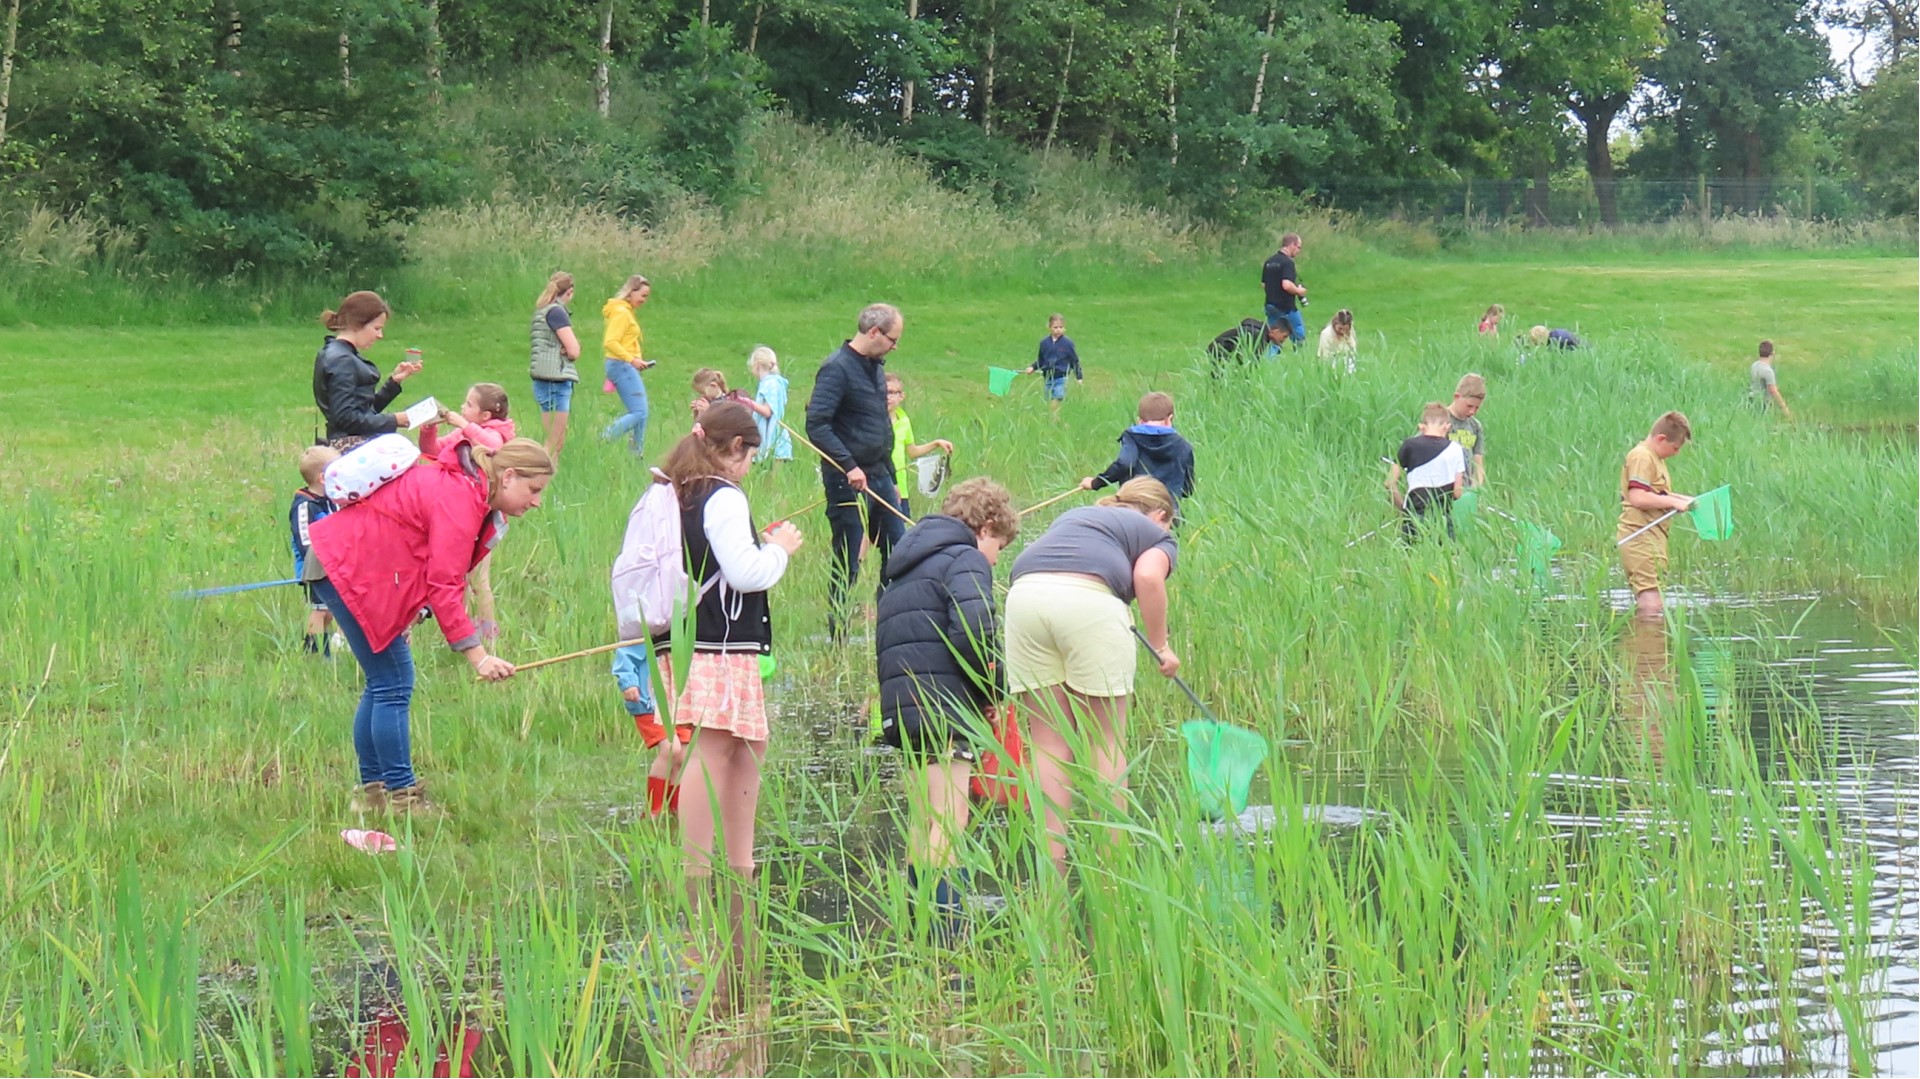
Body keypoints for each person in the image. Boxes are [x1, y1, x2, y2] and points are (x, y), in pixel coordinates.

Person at [306, 439, 553, 814]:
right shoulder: (460, 497)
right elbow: (444, 585)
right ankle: (401, 797)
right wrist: (479, 657)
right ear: (509, 476)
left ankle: (371, 794)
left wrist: (404, 613)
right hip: (344, 565)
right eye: (533, 490)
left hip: (355, 566)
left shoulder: (466, 489)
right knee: (393, 680)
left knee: (384, 680)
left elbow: (413, 551)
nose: (536, 501)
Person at [659, 403, 803, 1008]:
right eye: (751, 452)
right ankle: (699, 870)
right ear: (737, 447)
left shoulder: (687, 488)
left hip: (715, 638)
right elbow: (744, 574)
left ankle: (738, 864)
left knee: (745, 745)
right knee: (715, 746)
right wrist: (781, 550)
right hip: (721, 638)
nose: (751, 464)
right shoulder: (721, 495)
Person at [1005, 476, 1180, 879]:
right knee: (1107, 739)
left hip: (1024, 597)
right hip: (1087, 601)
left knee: (1048, 742)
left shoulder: (1078, 515)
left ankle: (1052, 863)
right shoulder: (1157, 533)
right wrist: (1161, 646)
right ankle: (1112, 861)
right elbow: (1150, 578)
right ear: (1161, 515)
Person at [875, 477, 1020, 944]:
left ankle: (921, 937)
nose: (996, 557)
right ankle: (948, 942)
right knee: (949, 827)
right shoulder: (965, 558)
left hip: (904, 706)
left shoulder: (905, 564)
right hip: (945, 707)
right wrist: (994, 690)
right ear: (987, 526)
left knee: (924, 824)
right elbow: (974, 631)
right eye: (1000, 545)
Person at [806, 303, 910, 636]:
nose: (895, 346)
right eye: (892, 339)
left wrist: (891, 479)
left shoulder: (877, 368)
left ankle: (888, 623)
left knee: (899, 550)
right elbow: (817, 424)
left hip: (880, 475)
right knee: (849, 556)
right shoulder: (836, 369)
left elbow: (882, 427)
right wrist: (849, 466)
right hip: (846, 480)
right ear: (874, 332)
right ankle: (837, 632)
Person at [418, 383, 515, 641]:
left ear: (485, 416)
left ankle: (488, 634)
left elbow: (493, 446)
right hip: (458, 514)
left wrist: (461, 422)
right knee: (458, 575)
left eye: (469, 405)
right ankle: (464, 631)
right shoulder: (465, 434)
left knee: (478, 577)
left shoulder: (497, 434)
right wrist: (429, 429)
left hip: (483, 518)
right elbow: (433, 451)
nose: (462, 407)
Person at [312, 291, 422, 449]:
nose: (380, 335)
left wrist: (394, 382)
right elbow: (345, 418)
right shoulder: (342, 361)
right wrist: (395, 420)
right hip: (350, 448)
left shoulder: (341, 355)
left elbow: (364, 411)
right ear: (358, 323)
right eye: (377, 328)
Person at [1618, 411, 1695, 621]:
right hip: (1639, 537)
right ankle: (1648, 651)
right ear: (1661, 439)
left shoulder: (1656, 459)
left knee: (1656, 598)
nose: (1676, 453)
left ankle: (1652, 650)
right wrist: (1673, 503)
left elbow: (1658, 494)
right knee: (1651, 602)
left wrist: (1685, 500)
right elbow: (1638, 497)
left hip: (1653, 539)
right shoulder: (1642, 456)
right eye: (1675, 448)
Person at [612, 639, 688, 818]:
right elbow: (626, 652)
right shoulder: (652, 620)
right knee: (671, 748)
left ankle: (675, 810)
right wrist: (628, 682)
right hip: (650, 703)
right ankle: (653, 811)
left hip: (681, 702)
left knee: (683, 756)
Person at [1080, 391, 1196, 508]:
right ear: (1169, 419)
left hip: (1135, 509)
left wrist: (1096, 483)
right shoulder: (1183, 446)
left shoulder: (1132, 438)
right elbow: (1187, 490)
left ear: (1139, 420)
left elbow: (1125, 463)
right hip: (1167, 512)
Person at [1387, 403, 1467, 541]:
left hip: (1414, 515)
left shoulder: (1409, 445)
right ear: (1447, 427)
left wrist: (1404, 509)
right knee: (1447, 559)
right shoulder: (1455, 449)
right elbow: (1457, 493)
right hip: (1441, 517)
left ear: (1421, 427)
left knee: (1410, 558)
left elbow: (1389, 483)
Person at [291, 445, 340, 657]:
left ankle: (324, 647)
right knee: (320, 611)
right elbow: (304, 542)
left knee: (329, 611)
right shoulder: (304, 506)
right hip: (314, 569)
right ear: (322, 478)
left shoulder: (332, 500)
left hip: (334, 567)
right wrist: (323, 565)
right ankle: (314, 652)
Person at [529, 271, 583, 459]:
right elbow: (574, 349)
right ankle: (542, 481)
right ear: (569, 292)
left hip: (541, 378)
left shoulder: (542, 311)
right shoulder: (557, 312)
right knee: (554, 442)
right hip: (556, 380)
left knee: (552, 439)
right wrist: (570, 350)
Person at [601, 275, 656, 457]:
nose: (644, 300)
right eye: (643, 295)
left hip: (625, 365)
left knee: (642, 412)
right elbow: (611, 342)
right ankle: (606, 437)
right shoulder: (622, 313)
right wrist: (631, 360)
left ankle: (636, 453)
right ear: (631, 292)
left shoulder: (625, 311)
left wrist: (637, 360)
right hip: (621, 365)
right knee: (639, 411)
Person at [886, 373, 953, 518]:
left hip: (900, 488)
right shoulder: (872, 420)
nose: (887, 397)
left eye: (892, 392)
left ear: (901, 396)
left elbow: (912, 451)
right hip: (880, 484)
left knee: (901, 531)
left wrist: (936, 443)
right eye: (883, 392)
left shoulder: (904, 421)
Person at [1023, 314, 1082, 412]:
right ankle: (1056, 421)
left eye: (1061, 327)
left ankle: (1054, 419)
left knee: (1057, 399)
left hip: (1061, 378)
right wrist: (1032, 368)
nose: (1058, 330)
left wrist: (1079, 377)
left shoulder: (1068, 344)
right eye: (1055, 327)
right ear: (1049, 327)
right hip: (1048, 378)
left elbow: (1074, 361)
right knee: (1049, 401)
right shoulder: (1044, 343)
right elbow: (1041, 360)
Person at [1261, 233, 1307, 348]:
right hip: (1286, 307)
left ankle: (1270, 360)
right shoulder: (1287, 262)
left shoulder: (1269, 262)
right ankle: (1301, 358)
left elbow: (1263, 284)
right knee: (1298, 333)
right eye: (1298, 247)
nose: (1298, 251)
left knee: (1275, 337)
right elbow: (1286, 285)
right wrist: (1298, 291)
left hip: (1270, 305)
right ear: (1292, 245)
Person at [748, 347, 793, 465]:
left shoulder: (771, 383)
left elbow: (768, 411)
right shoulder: (769, 382)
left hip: (774, 439)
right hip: (770, 437)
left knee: (772, 478)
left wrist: (748, 403)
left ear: (756, 365)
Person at [1445, 373, 1488, 489]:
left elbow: (1478, 461)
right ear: (1457, 397)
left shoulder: (1475, 426)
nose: (1472, 412)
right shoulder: (1440, 420)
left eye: (1477, 408)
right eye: (1469, 406)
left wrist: (1475, 487)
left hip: (1466, 490)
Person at [691, 368, 769, 424]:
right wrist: (698, 413)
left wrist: (709, 411)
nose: (702, 396)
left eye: (703, 392)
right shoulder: (710, 402)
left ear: (713, 385)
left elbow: (726, 423)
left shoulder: (730, 401)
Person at [1207, 318, 1289, 371]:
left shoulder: (1261, 332)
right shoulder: (1258, 336)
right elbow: (1252, 363)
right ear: (1276, 331)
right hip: (1219, 351)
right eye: (1284, 336)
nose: (1283, 340)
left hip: (1220, 349)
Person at [1749, 340, 1791, 418]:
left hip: (1752, 399)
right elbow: (1773, 391)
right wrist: (1784, 408)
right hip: (1763, 404)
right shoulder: (1768, 371)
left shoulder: (1754, 365)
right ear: (1772, 354)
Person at [1318, 308, 1357, 373]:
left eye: (1345, 329)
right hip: (1332, 361)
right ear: (1335, 323)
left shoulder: (1350, 332)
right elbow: (1325, 356)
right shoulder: (1326, 334)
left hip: (1346, 359)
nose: (1343, 332)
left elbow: (1352, 349)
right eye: (1340, 328)